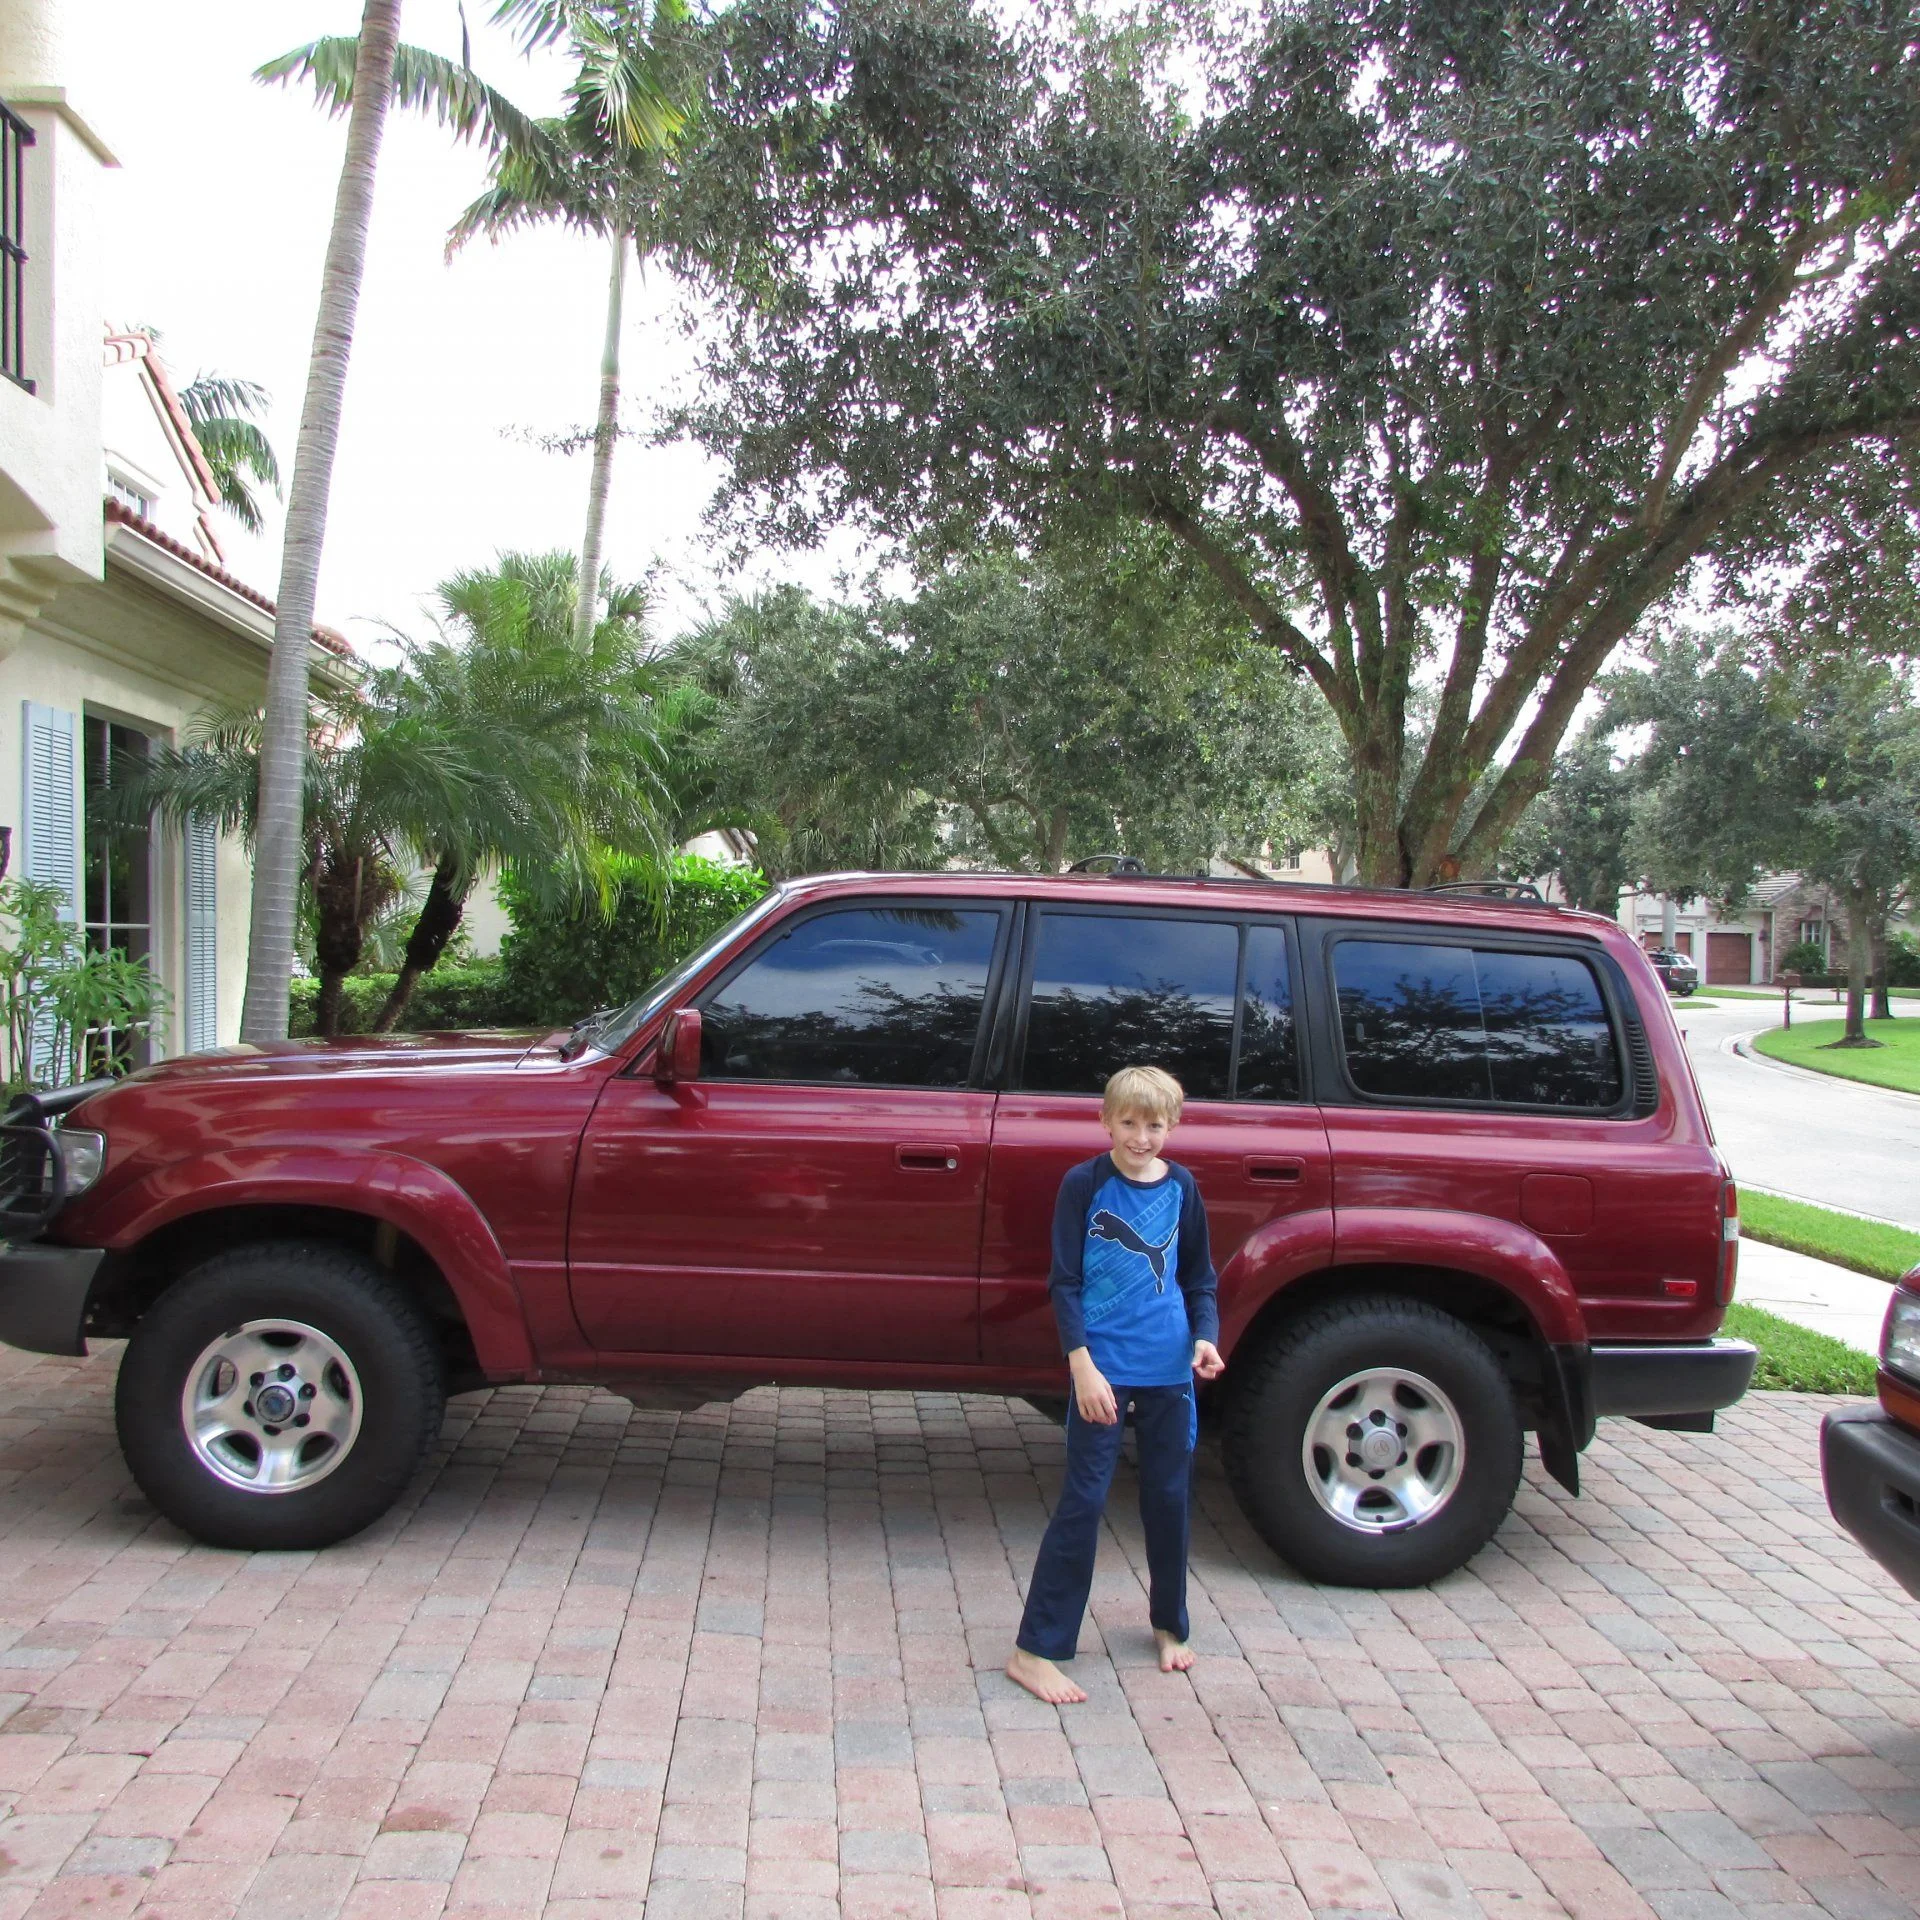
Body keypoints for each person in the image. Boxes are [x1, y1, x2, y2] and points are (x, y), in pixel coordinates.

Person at [1005, 1065, 1225, 1706]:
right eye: (1128, 1123)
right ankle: (1034, 1649)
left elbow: (1199, 1279)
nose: (1141, 1136)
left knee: (1168, 1496)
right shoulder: (1085, 1184)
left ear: (1172, 1126)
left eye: (1154, 1125)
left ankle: (1169, 1624)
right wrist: (1081, 1364)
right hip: (1102, 1371)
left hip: (1169, 1371)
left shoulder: (1183, 1187)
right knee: (1085, 1499)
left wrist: (1205, 1338)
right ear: (1107, 1122)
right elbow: (1064, 1282)